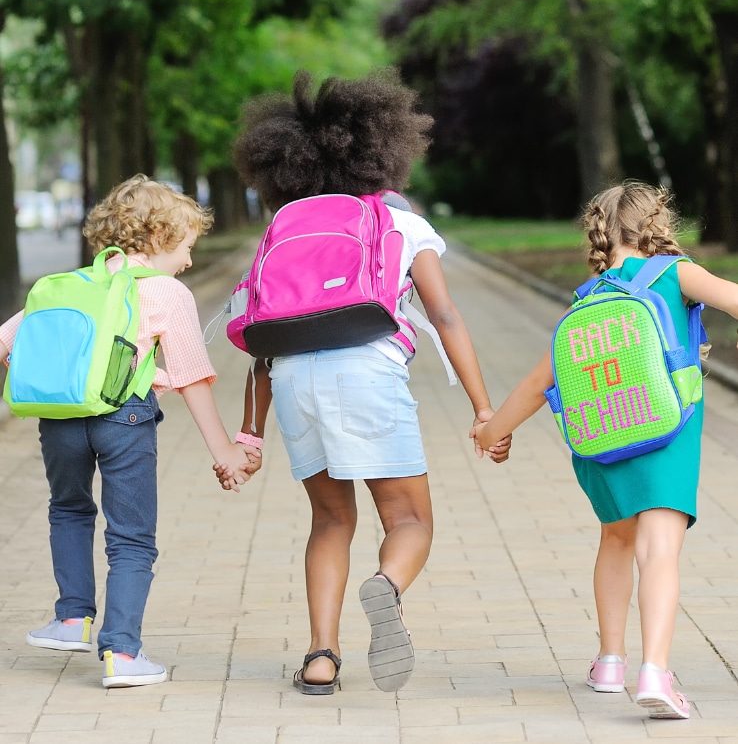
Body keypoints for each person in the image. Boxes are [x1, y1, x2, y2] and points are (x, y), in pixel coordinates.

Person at [214, 69, 510, 695]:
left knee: (329, 521)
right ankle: (387, 586)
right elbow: (445, 314)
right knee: (407, 522)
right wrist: (485, 409)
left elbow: (261, 339)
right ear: (384, 150)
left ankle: (321, 656)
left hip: (295, 381)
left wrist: (249, 434)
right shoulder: (397, 221)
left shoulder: (285, 227)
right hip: (369, 372)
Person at [471, 181, 738, 721]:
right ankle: (655, 671)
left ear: (600, 232)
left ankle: (610, 662)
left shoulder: (588, 295)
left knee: (616, 539)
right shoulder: (676, 271)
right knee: (659, 547)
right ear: (657, 224)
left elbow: (539, 380)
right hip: (667, 431)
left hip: (602, 438)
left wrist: (493, 429)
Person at [0, 175, 260, 689]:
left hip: (60, 421)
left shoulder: (70, 284)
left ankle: (72, 619)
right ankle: (121, 652)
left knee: (69, 510)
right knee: (132, 538)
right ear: (160, 237)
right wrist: (226, 452)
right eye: (186, 246)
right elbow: (193, 379)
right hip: (125, 421)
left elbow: (7, 343)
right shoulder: (166, 291)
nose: (188, 259)